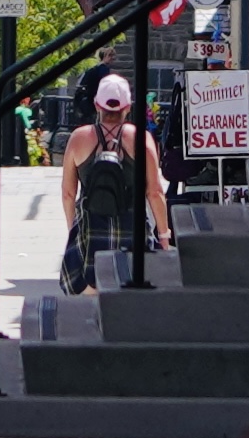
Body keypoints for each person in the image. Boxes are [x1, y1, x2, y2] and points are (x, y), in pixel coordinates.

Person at [54, 69, 168, 294]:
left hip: (90, 233)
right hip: (133, 231)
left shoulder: (78, 139)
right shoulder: (142, 139)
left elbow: (68, 193)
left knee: (92, 301)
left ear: (97, 105)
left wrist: (72, 229)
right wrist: (163, 235)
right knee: (133, 297)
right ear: (127, 107)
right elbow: (154, 192)